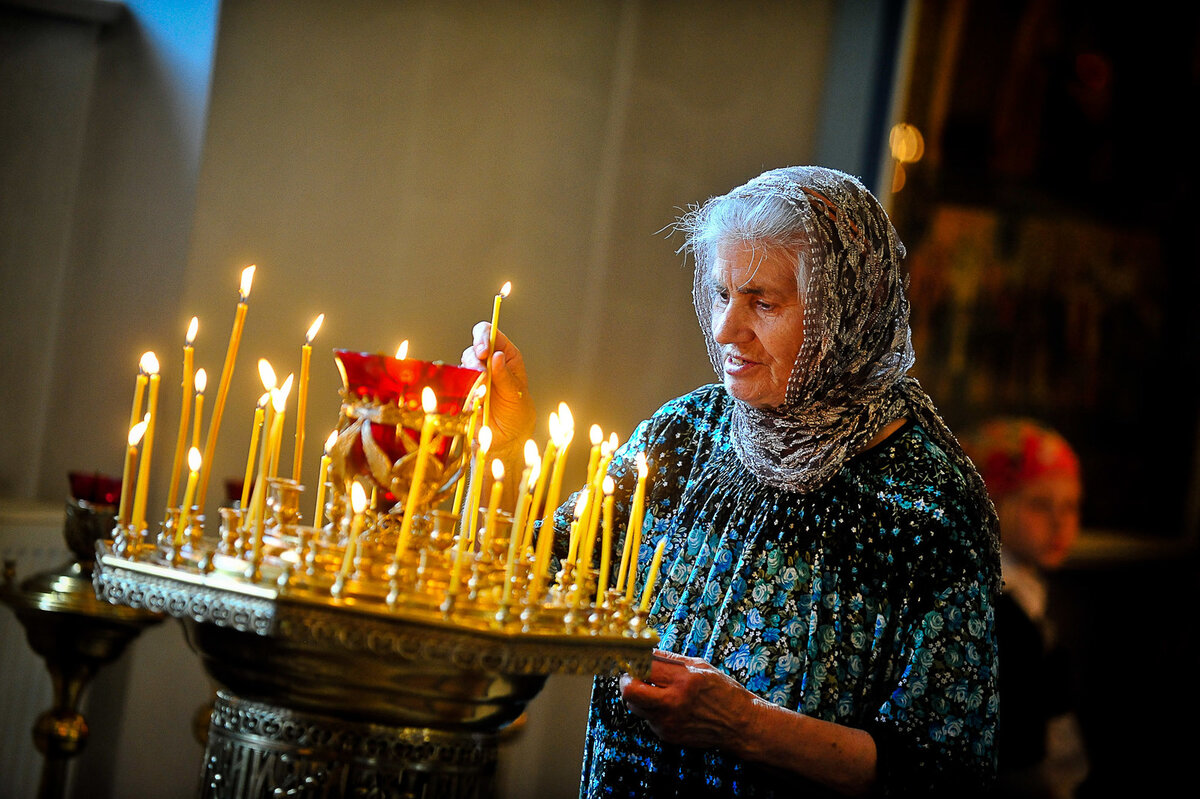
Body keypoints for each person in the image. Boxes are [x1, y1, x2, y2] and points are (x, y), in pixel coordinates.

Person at [463, 166, 1001, 797]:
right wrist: (501, 445)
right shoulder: (689, 434)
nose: (725, 331)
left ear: (850, 311)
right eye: (721, 295)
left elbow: (944, 774)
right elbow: (537, 587)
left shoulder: (931, 504)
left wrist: (745, 726)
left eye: (762, 303)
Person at [962, 418, 1088, 798]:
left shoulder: (1027, 590)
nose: (1060, 522)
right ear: (993, 503)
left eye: (1071, 506)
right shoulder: (993, 603)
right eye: (1039, 504)